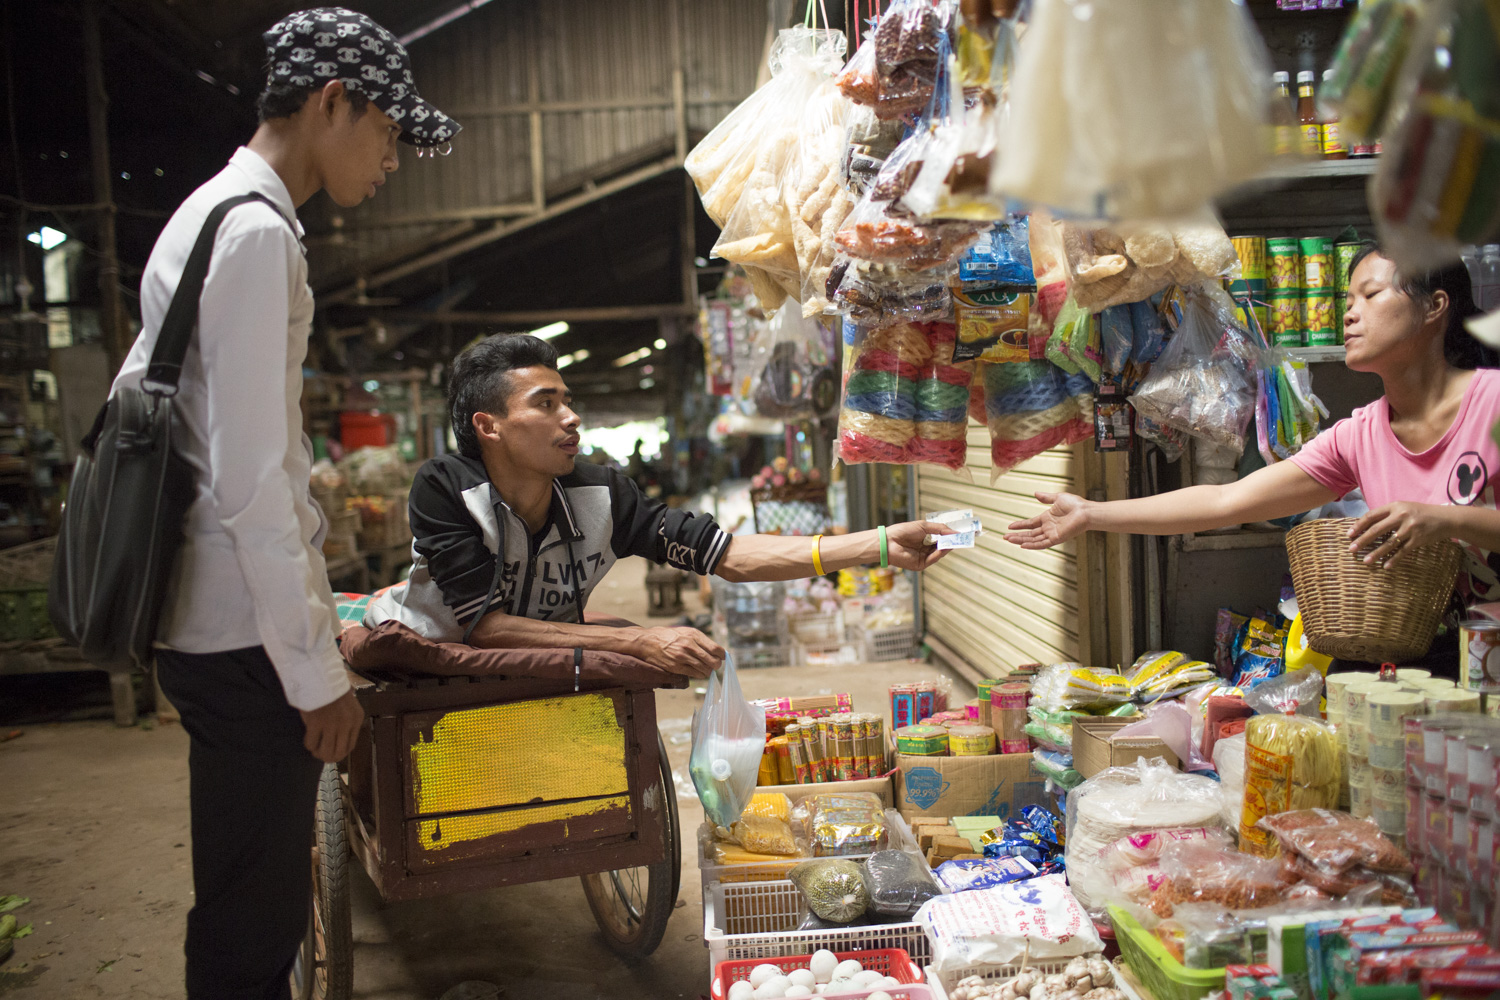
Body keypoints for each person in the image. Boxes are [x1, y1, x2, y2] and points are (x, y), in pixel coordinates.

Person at [107, 9, 459, 998]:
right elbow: (256, 476)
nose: (392, 159)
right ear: (330, 102)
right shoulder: (258, 235)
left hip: (207, 621)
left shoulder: (206, 212)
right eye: (388, 132)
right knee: (250, 925)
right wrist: (315, 674)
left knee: (242, 900)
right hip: (240, 638)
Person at [1005, 246, 1500, 672]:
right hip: (1444, 664)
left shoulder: (1493, 402)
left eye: (1371, 296)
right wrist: (1092, 514)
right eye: (1347, 300)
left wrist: (1443, 519)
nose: (1350, 314)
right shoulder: (1361, 434)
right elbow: (1226, 501)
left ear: (1435, 306)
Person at [364, 335, 951, 673]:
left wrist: (877, 545)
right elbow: (485, 630)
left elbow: (729, 555)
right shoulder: (445, 488)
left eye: (568, 400)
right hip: (430, 653)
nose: (570, 417)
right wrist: (641, 639)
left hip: (538, 659)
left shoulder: (602, 493)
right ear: (488, 426)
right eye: (545, 404)